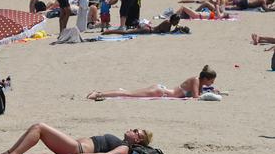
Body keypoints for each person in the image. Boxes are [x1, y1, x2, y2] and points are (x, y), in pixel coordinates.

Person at [0, 123, 152, 154]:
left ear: (138, 140)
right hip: (74, 146)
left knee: (39, 127)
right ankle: (8, 153)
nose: (132, 129)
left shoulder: (125, 147)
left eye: (136, 132)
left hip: (76, 150)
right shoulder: (121, 142)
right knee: (35, 127)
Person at [87, 65, 217, 100]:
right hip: (160, 92)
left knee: (128, 93)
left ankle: (99, 93)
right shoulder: (195, 80)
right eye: (211, 81)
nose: (212, 83)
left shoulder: (198, 83)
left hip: (162, 91)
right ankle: (98, 94)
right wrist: (211, 95)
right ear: (205, 78)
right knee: (127, 94)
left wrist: (211, 91)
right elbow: (196, 97)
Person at [102, 14, 184, 35]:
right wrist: (175, 31)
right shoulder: (167, 23)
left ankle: (108, 31)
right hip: (148, 30)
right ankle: (108, 31)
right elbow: (165, 33)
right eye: (177, 21)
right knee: (126, 33)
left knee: (128, 31)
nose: (177, 23)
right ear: (173, 20)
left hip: (148, 28)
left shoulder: (168, 23)